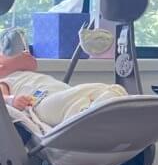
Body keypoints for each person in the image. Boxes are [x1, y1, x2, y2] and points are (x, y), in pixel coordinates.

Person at [0, 50, 128, 129]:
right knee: (100, 90)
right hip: (42, 103)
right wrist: (13, 100)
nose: (25, 51)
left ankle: (112, 107)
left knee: (103, 91)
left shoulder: (30, 75)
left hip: (65, 95)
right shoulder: (5, 80)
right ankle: (102, 112)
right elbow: (2, 98)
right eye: (6, 52)